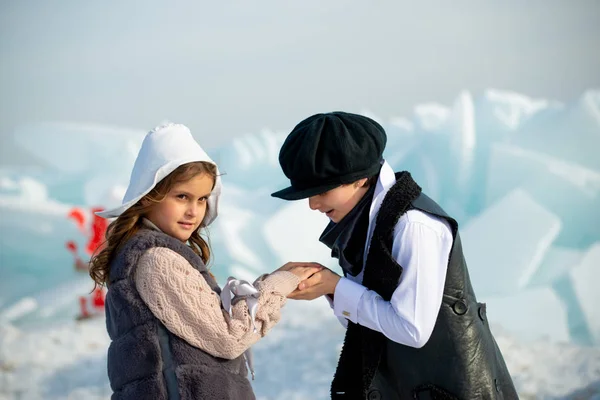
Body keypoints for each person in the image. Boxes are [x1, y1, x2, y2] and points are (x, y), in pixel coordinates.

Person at [271, 112, 518, 399]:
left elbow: (411, 328)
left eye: (321, 190)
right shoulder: (366, 220)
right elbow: (373, 323)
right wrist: (329, 289)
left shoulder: (413, 225)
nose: (313, 204)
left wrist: (337, 287)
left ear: (360, 178)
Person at [89, 123, 321, 400]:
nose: (193, 211)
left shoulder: (156, 254)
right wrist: (275, 287)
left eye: (201, 199)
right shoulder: (157, 260)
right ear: (149, 196)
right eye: (182, 197)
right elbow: (228, 337)